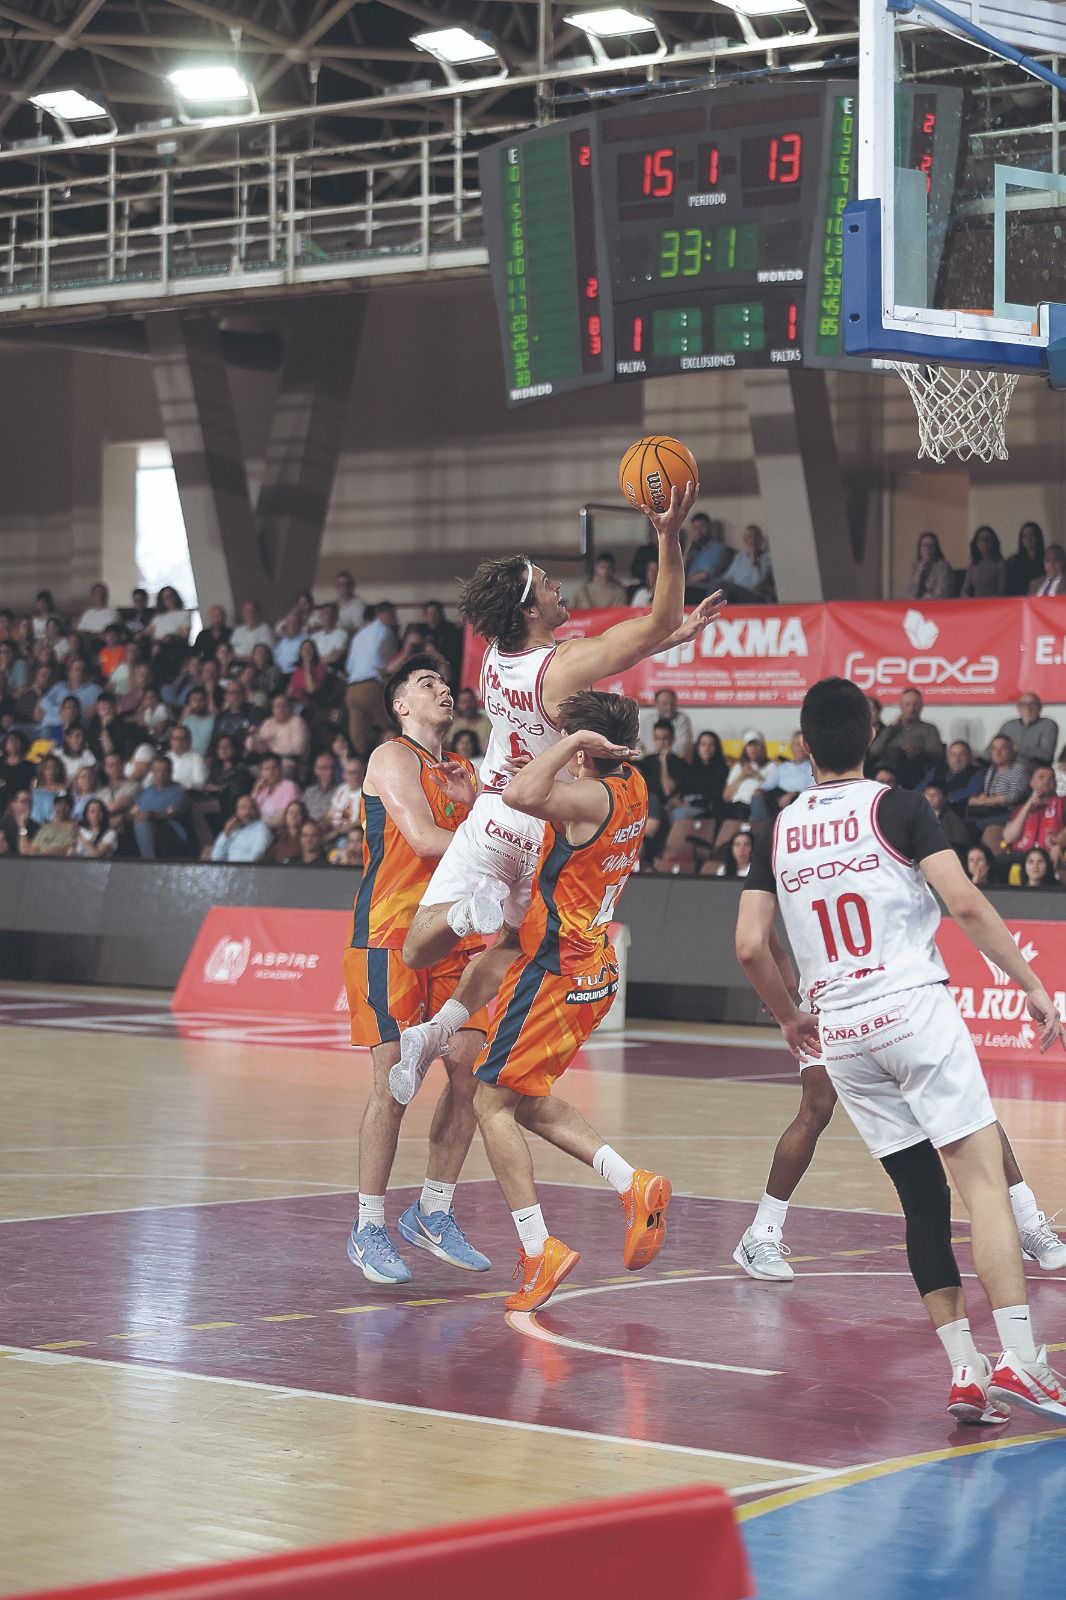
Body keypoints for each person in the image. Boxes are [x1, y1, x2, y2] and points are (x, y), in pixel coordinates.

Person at [735, 675, 1066, 1421]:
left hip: (843, 1035)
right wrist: (1031, 985)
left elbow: (751, 944)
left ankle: (965, 1373)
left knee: (921, 1201)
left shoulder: (779, 828)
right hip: (911, 1010)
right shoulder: (899, 807)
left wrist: (788, 1018)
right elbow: (965, 902)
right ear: (871, 735)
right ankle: (1020, 1359)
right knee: (983, 1183)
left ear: (803, 744)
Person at [395, 484, 723, 1088]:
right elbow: (657, 618)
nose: (559, 588)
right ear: (527, 609)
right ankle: (445, 1015)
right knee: (518, 946)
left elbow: (625, 646)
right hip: (547, 823)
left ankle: (440, 1012)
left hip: (494, 813)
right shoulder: (561, 666)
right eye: (547, 584)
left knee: (418, 947)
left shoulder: (494, 655)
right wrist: (668, 534)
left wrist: (666, 637)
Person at [469, 690, 671, 1311]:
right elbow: (544, 804)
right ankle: (631, 1183)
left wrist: (570, 744)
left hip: (555, 973)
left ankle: (540, 1250)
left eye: (568, 739)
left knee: (489, 1103)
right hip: (594, 971)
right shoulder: (634, 785)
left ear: (585, 750)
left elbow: (520, 796)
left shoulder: (588, 797)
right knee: (524, 1101)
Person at [342, 654, 492, 1285]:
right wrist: (494, 836)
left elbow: (492, 833)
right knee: (394, 1086)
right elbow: (427, 840)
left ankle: (432, 1210)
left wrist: (481, 804)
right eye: (427, 685)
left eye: (445, 683)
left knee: (470, 1075)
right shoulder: (391, 757)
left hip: (454, 936)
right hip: (391, 936)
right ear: (401, 705)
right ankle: (367, 1225)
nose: (444, 691)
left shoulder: (460, 769)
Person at [344, 601, 399, 756]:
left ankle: (366, 763)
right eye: (392, 615)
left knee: (359, 739)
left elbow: (349, 666)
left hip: (352, 688)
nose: (395, 619)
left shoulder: (360, 635)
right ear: (383, 614)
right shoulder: (385, 632)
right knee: (393, 724)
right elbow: (385, 665)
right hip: (370, 685)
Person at [867, 687, 944, 789]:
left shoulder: (929, 729)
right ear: (901, 706)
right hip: (884, 776)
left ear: (921, 706)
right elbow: (874, 751)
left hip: (914, 773)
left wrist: (918, 752)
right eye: (907, 704)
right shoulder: (891, 729)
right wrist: (892, 728)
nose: (911, 709)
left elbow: (937, 755)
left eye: (915, 705)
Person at [990, 764, 1065, 868]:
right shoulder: (1020, 809)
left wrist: (1058, 844)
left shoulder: (1062, 802)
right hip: (1022, 855)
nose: (1046, 781)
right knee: (998, 862)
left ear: (1055, 784)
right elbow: (1008, 838)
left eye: (1051, 779)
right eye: (1041, 777)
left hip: (1049, 854)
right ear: (1031, 782)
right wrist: (1027, 806)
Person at [965, 735, 1029, 836]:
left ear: (1011, 751)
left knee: (976, 826)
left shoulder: (1018, 770)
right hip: (991, 811)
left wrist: (983, 801)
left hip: (1009, 813)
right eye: (994, 749)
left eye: (1002, 748)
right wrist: (980, 799)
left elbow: (1011, 798)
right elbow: (987, 794)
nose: (997, 753)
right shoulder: (992, 770)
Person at [131, 755, 190, 859]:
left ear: (171, 772)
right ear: (152, 772)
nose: (161, 774)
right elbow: (134, 811)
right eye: (157, 770)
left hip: (169, 830)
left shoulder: (178, 791)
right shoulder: (147, 791)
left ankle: (149, 864)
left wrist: (151, 815)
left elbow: (172, 814)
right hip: (143, 826)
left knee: (142, 824)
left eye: (165, 771)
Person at [751, 732, 814, 821]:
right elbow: (769, 783)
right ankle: (759, 826)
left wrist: (794, 794)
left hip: (798, 798)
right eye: (797, 745)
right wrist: (760, 789)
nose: (800, 748)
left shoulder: (812, 768)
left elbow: (812, 790)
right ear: (791, 747)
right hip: (778, 797)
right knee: (757, 797)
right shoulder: (783, 767)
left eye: (803, 745)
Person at [988, 693, 1058, 772]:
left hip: (1034, 771)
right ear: (1018, 708)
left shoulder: (1048, 724)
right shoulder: (1009, 725)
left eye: (1032, 704)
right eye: (1023, 704)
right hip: (1005, 770)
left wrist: (1013, 750)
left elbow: (1046, 755)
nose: (1028, 708)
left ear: (1040, 707)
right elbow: (990, 750)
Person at [921, 740, 985, 813]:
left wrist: (940, 798)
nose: (956, 759)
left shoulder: (977, 773)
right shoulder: (937, 770)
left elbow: (970, 793)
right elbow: (920, 789)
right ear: (948, 757)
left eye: (961, 755)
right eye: (953, 755)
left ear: (969, 757)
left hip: (957, 812)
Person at [209, 793, 272, 863]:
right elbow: (216, 857)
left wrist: (238, 866)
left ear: (255, 811)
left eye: (251, 808)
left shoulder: (261, 828)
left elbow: (258, 853)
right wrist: (226, 834)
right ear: (237, 811)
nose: (247, 811)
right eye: (243, 807)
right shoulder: (233, 829)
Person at [722, 732, 772, 819]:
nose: (753, 749)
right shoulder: (738, 766)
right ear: (745, 749)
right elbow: (726, 797)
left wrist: (755, 774)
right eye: (750, 746)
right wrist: (742, 776)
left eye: (757, 745)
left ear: (762, 748)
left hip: (756, 804)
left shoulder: (770, 766)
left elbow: (771, 788)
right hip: (737, 806)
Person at [683, 512, 732, 600]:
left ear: (710, 528)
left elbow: (704, 575)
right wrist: (687, 548)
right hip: (689, 589)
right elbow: (680, 572)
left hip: (705, 591)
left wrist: (683, 583)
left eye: (702, 527)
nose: (698, 531)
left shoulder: (719, 549)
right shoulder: (692, 551)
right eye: (695, 528)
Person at [722, 524, 776, 601]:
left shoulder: (766, 558)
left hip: (755, 594)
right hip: (737, 591)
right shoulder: (739, 557)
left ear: (761, 539)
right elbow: (727, 577)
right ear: (745, 540)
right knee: (718, 586)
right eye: (749, 536)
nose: (753, 539)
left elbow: (757, 583)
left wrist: (754, 563)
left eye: (756, 536)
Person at [251, 754, 301, 829]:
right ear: (261, 772)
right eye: (266, 769)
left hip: (278, 830)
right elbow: (248, 810)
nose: (271, 772)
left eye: (274, 768)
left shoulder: (289, 786)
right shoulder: (262, 788)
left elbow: (284, 816)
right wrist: (255, 791)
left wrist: (260, 828)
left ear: (280, 769)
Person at [324, 755, 365, 846]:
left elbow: (362, 821)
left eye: (356, 772)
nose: (353, 776)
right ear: (344, 775)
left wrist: (337, 832)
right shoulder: (341, 789)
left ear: (363, 773)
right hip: (334, 830)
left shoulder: (366, 792)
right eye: (349, 773)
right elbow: (329, 815)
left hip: (352, 834)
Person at [423, 600, 464, 686]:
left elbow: (453, 655)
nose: (433, 617)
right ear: (425, 615)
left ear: (441, 614)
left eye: (435, 613)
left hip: (449, 669)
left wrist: (435, 653)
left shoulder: (450, 631)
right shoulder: (421, 630)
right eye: (430, 614)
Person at [645, 687, 693, 759]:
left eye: (672, 704)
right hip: (652, 761)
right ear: (656, 704)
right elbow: (649, 746)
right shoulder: (648, 720)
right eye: (664, 704)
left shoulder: (682, 719)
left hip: (677, 761)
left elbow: (681, 747)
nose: (669, 707)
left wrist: (664, 755)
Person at [906, 531, 955, 600]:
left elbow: (941, 595)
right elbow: (910, 596)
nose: (927, 549)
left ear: (936, 548)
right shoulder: (915, 567)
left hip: (935, 605)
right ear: (919, 548)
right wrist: (918, 575)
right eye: (924, 545)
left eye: (931, 546)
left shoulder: (943, 566)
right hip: (918, 605)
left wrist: (922, 598)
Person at [923, 782, 969, 854]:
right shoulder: (917, 814)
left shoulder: (951, 815)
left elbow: (962, 838)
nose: (930, 798)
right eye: (927, 794)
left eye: (935, 795)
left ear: (944, 799)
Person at [28, 790, 78, 856]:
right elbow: (33, 848)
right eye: (59, 804)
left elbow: (68, 849)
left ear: (71, 807)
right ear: (54, 806)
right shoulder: (45, 827)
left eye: (66, 804)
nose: (62, 808)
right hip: (39, 860)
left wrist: (45, 853)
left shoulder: (75, 827)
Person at [960, 526, 1006, 597]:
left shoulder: (1000, 564)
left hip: (994, 601)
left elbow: (1001, 592)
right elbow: (965, 589)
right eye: (981, 539)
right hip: (976, 601)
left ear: (993, 542)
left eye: (988, 539)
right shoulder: (973, 565)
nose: (984, 542)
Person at [447, 687, 492, 753]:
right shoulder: (456, 724)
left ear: (475, 702)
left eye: (470, 701)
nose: (467, 705)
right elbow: (448, 746)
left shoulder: (487, 723)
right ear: (457, 705)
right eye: (463, 702)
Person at [1006, 521, 1045, 596]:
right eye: (1024, 536)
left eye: (1032, 535)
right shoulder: (1014, 561)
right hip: (1018, 599)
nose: (1028, 539)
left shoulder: (1046, 559)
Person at [266, 800, 310, 864]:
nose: (294, 816)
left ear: (303, 817)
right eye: (291, 813)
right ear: (285, 817)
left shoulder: (308, 838)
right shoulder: (277, 839)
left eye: (298, 813)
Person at [309, 604, 349, 672]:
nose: (326, 616)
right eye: (323, 613)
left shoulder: (342, 634)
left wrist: (316, 662)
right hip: (314, 671)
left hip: (330, 671)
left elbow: (334, 657)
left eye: (329, 613)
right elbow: (308, 656)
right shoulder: (314, 636)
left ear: (336, 616)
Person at [273, 610, 307, 677]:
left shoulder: (305, 640)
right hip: (278, 674)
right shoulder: (281, 642)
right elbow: (274, 657)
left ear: (300, 624)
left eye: (294, 623)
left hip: (295, 674)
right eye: (289, 622)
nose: (291, 626)